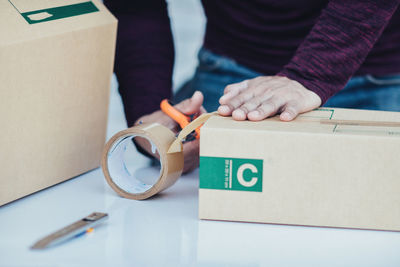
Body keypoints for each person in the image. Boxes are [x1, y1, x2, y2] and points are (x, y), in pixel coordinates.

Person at [104, 0, 400, 172]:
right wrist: (147, 115)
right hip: (231, 79)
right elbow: (135, 7)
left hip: (378, 75)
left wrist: (311, 74)